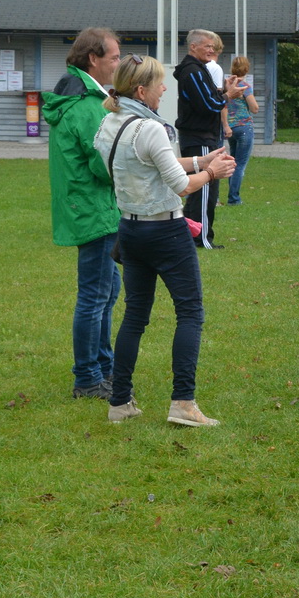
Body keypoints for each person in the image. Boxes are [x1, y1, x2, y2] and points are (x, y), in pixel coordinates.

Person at [93, 55, 237, 427]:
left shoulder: (109, 122)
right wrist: (212, 171)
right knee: (190, 313)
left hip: (130, 230)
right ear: (141, 90)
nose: (165, 88)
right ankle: (183, 404)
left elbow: (161, 164)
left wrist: (203, 159)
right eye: (159, 83)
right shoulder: (150, 128)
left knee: (135, 317)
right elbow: (182, 184)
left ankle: (120, 402)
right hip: (166, 231)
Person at [43, 27, 123, 401]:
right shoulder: (88, 105)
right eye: (114, 58)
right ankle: (89, 377)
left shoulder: (79, 96)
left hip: (90, 207)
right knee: (95, 295)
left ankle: (102, 368)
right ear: (93, 59)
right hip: (93, 208)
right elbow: (104, 164)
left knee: (108, 289)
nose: (118, 64)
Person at [173, 29, 243, 249]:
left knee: (200, 190)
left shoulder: (198, 70)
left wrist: (225, 90)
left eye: (213, 47)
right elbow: (210, 105)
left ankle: (191, 235)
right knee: (204, 190)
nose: (212, 50)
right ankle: (201, 239)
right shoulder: (193, 71)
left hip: (201, 136)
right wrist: (228, 96)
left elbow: (211, 98)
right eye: (207, 46)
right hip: (199, 137)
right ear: (193, 47)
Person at [224, 55, 259, 205]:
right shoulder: (244, 86)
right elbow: (255, 108)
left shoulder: (227, 86)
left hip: (231, 128)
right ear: (247, 68)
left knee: (233, 163)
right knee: (240, 164)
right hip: (244, 127)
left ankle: (232, 195)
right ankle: (234, 198)